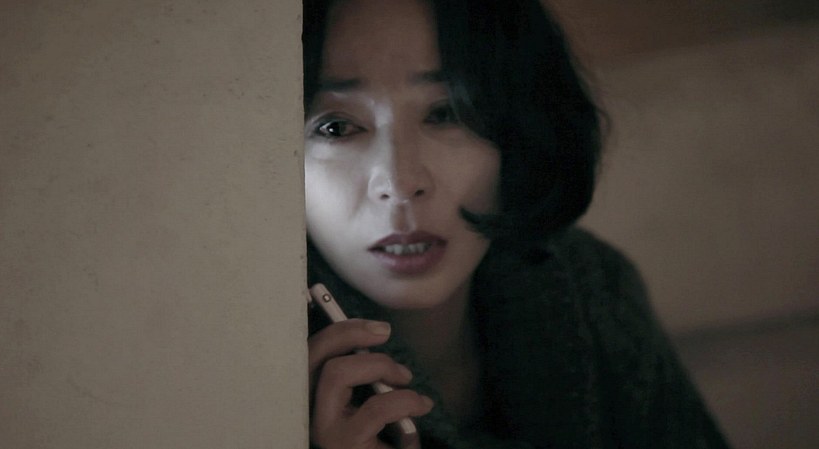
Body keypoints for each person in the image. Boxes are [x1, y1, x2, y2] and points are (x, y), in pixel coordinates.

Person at [302, 0, 731, 448]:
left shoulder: (589, 285)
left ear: (523, 124)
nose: (401, 182)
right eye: (336, 128)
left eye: (448, 112)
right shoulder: (270, 370)